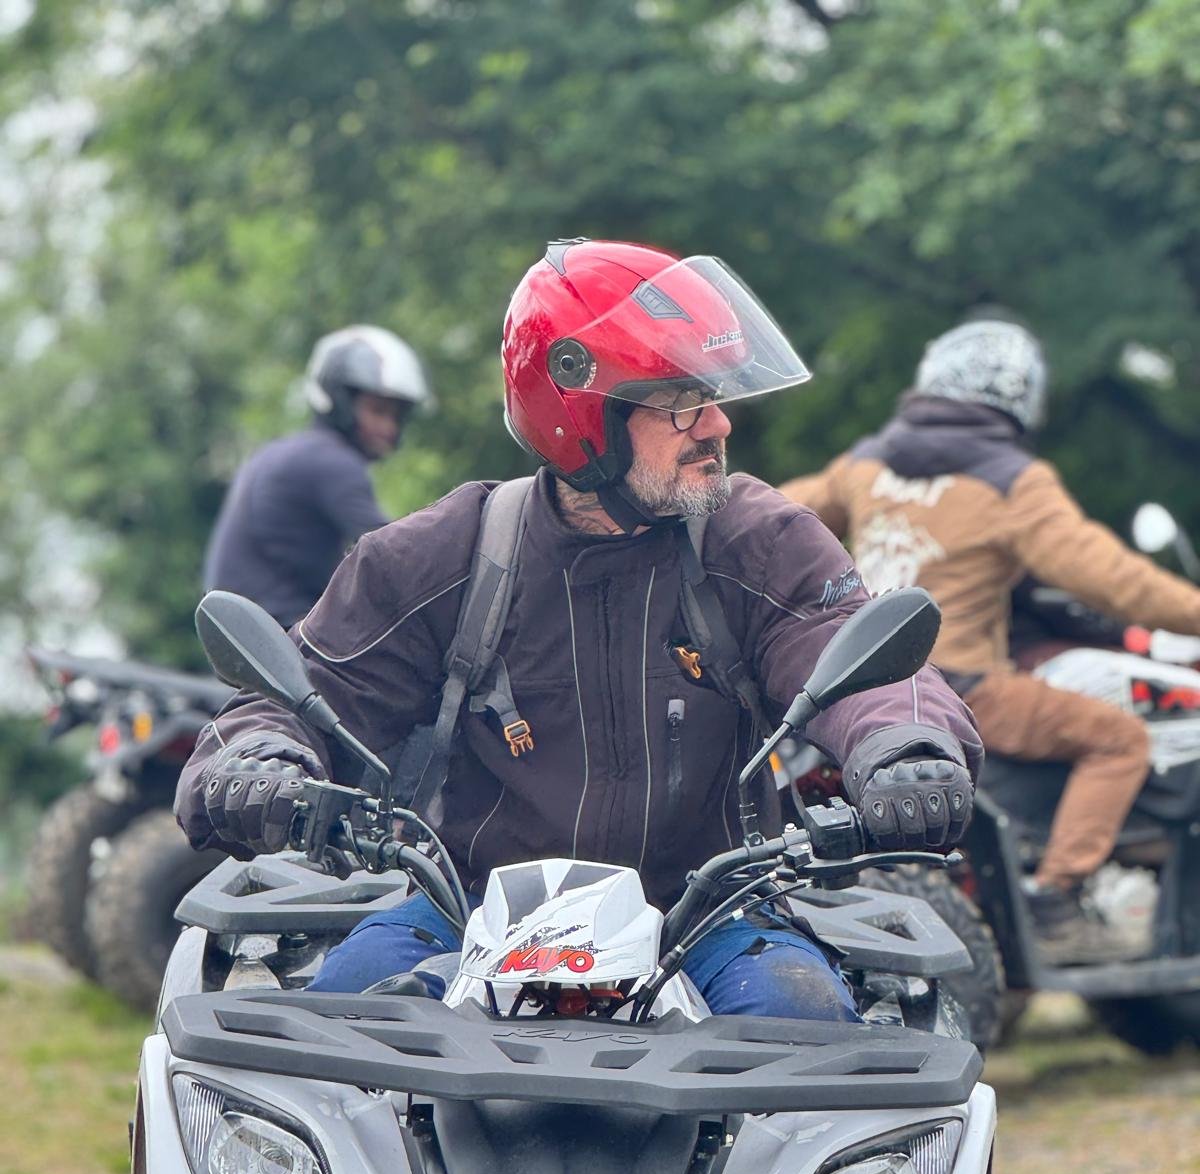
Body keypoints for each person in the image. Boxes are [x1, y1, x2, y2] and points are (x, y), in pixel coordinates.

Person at [177, 240, 980, 1019]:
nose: (717, 426)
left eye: (714, 397)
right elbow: (305, 689)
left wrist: (903, 749)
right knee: (338, 1030)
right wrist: (259, 759)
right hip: (472, 909)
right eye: (680, 403)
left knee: (806, 1030)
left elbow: (858, 655)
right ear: (580, 418)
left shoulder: (757, 541)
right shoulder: (447, 555)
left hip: (706, 915)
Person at [780, 315, 1200, 962]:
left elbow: (778, 519)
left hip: (851, 683)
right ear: (1020, 395)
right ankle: (1056, 898)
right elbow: (1113, 581)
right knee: (1121, 739)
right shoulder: (1010, 480)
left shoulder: (866, 464)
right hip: (961, 690)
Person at [203, 325, 430, 628]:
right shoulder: (332, 463)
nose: (388, 427)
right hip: (285, 640)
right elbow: (394, 554)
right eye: (377, 410)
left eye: (396, 416)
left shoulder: (289, 451)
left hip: (247, 634)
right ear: (340, 400)